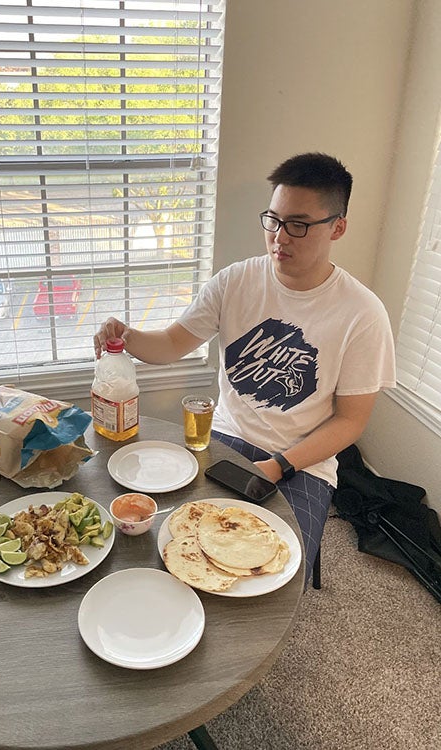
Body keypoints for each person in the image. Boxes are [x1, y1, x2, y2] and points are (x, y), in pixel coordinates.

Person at [94, 152, 396, 585]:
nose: (279, 238)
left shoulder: (363, 313)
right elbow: (172, 343)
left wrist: (278, 466)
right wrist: (123, 335)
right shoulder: (235, 281)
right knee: (177, 542)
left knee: (274, 576)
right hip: (225, 439)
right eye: (272, 220)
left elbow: (351, 422)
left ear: (338, 227)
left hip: (304, 463)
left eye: (298, 224)